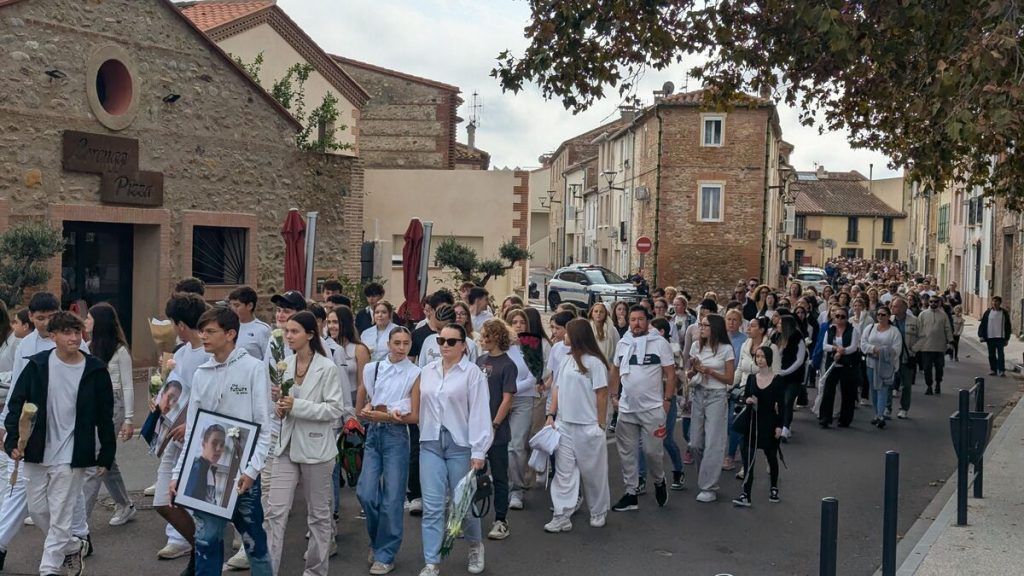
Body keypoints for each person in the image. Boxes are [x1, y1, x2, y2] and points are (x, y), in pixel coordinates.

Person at [5, 311, 115, 576]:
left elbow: (105, 415)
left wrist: (106, 454)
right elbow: (16, 404)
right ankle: (72, 546)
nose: (74, 338)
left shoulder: (95, 370)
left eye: (77, 332)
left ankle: (49, 569)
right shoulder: (38, 365)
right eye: (67, 333)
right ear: (52, 336)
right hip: (37, 448)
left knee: (62, 512)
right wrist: (11, 440)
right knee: (39, 509)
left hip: (73, 452)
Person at [170, 306, 273, 576]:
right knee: (206, 541)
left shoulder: (253, 368)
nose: (203, 336)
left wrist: (252, 470)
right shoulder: (201, 373)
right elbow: (193, 430)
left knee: (254, 543)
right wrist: (178, 473)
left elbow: (264, 425)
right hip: (208, 471)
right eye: (202, 330)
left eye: (210, 331)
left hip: (243, 473)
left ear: (230, 334)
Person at [265, 311, 345, 576]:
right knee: (274, 512)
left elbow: (334, 409)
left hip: (316, 448)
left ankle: (315, 571)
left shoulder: (327, 367)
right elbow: (284, 408)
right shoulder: (284, 364)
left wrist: (296, 405)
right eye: (287, 331)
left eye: (294, 331)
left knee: (319, 516)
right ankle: (268, 570)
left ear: (310, 334)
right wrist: (281, 407)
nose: (289, 336)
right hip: (286, 445)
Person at [416, 324, 492, 576]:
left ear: (464, 345)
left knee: (464, 504)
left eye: (450, 341)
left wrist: (479, 451)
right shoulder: (426, 371)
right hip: (431, 442)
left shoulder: (473, 374)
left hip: (461, 444)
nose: (444, 346)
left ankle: (474, 546)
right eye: (441, 340)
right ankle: (432, 562)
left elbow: (480, 412)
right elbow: (416, 403)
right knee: (433, 506)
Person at [356, 326, 421, 576]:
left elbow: (414, 415)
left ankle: (386, 553)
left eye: (406, 343)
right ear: (389, 343)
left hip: (396, 435)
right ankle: (377, 541)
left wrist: (387, 414)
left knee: (393, 498)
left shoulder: (415, 372)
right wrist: (363, 411)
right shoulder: (373, 368)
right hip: (374, 432)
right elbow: (363, 398)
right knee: (366, 492)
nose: (401, 348)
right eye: (397, 343)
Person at [153, 293, 211, 572]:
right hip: (173, 435)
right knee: (163, 501)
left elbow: (213, 398)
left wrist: (192, 424)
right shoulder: (181, 352)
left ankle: (201, 556)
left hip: (197, 438)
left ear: (179, 324)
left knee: (196, 502)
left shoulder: (208, 355)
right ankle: (200, 547)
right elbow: (175, 390)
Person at [543, 318, 611, 531]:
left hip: (588, 426)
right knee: (564, 473)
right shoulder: (566, 360)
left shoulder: (595, 363)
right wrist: (551, 414)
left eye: (568, 333)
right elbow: (557, 389)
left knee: (593, 473)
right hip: (565, 425)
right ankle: (562, 514)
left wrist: (600, 424)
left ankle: (598, 510)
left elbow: (601, 394)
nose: (564, 336)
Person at [609, 305, 676, 511]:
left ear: (648, 321)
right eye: (632, 320)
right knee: (627, 453)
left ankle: (659, 480)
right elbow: (615, 369)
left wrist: (667, 400)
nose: (636, 323)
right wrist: (614, 396)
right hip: (627, 408)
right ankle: (631, 493)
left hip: (653, 409)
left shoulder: (660, 344)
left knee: (651, 452)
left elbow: (670, 374)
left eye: (640, 319)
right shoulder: (623, 343)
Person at [80, 303, 136, 526]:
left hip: (114, 406)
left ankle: (81, 520)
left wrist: (129, 419)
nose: (86, 322)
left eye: (90, 318)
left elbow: (128, 386)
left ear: (100, 322)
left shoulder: (120, 351)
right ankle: (125, 504)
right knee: (107, 458)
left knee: (97, 458)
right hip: (92, 405)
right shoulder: (86, 346)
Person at [686, 314, 736, 503]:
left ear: (714, 328)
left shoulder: (726, 349)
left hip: (717, 395)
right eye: (700, 324)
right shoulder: (695, 346)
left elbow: (730, 379)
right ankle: (705, 476)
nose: (701, 328)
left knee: (714, 443)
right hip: (699, 393)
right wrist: (692, 370)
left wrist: (710, 372)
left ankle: (709, 486)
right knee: (695, 443)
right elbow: (690, 372)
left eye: (705, 325)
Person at [475, 319, 516, 540]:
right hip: (477, 430)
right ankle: (473, 518)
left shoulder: (508, 365)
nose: (481, 339)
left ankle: (501, 519)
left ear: (496, 337)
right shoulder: (480, 360)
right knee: (475, 476)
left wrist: (494, 425)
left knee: (499, 476)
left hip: (496, 432)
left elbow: (507, 399)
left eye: (485, 336)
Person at [731, 346, 783, 507]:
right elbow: (746, 395)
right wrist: (748, 400)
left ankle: (774, 487)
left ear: (769, 359)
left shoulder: (777, 380)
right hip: (752, 422)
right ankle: (746, 493)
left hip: (769, 423)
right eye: (757, 356)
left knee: (771, 457)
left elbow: (782, 405)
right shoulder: (752, 378)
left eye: (763, 356)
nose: (759, 359)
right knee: (748, 460)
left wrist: (780, 426)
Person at [503, 309, 541, 511]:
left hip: (523, 400)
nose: (518, 325)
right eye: (514, 322)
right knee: (501, 446)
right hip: (501, 401)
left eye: (521, 322)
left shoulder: (532, 344)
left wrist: (513, 388)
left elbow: (534, 375)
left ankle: (516, 488)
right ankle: (503, 485)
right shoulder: (500, 345)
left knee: (516, 445)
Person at [860, 306, 902, 429]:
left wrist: (883, 353)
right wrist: (873, 349)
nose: (880, 317)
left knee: (882, 389)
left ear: (889, 316)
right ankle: (876, 413)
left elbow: (896, 348)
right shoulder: (870, 328)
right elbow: (863, 343)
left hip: (886, 365)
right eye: (878, 314)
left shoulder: (894, 331)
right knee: (873, 389)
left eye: (883, 315)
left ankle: (881, 415)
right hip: (871, 363)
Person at [819, 307, 860, 428]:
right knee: (828, 391)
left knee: (847, 392)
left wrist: (842, 351)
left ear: (847, 318)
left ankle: (845, 419)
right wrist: (835, 349)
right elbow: (825, 346)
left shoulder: (853, 331)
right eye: (837, 316)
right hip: (832, 364)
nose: (839, 319)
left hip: (847, 364)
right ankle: (825, 418)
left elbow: (853, 347)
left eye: (843, 316)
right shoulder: (830, 330)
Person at [774, 315, 807, 440]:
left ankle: (786, 428)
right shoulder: (777, 337)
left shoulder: (798, 338)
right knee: (780, 401)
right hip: (779, 375)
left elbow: (799, 360)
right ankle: (782, 424)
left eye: (780, 324)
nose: (777, 325)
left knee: (788, 401)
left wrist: (786, 371)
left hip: (793, 376)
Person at [890, 297, 920, 419]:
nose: (893, 308)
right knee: (889, 383)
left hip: (907, 357)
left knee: (906, 385)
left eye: (896, 306)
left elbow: (922, 337)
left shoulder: (914, 321)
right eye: (892, 306)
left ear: (904, 308)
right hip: (892, 357)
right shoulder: (889, 320)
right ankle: (887, 407)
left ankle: (904, 408)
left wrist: (914, 349)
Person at [918, 295, 953, 393]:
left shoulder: (943, 315)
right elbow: (918, 329)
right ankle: (929, 386)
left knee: (939, 368)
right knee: (927, 368)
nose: (933, 303)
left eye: (935, 301)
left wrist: (950, 341)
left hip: (939, 346)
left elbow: (948, 329)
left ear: (939, 303)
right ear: (928, 302)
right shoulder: (923, 314)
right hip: (926, 347)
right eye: (931, 301)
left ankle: (938, 383)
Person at [183, 425, 226, 504]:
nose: (218, 449)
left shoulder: (210, 470)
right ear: (203, 444)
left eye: (222, 445)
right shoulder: (195, 469)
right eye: (214, 443)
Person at [228, 286, 271, 361]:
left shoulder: (263, 329)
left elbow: (269, 359)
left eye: (236, 305)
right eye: (231, 305)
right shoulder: (226, 326)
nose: (232, 308)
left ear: (250, 306)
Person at [979, 296, 1012, 377]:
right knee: (991, 354)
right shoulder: (988, 312)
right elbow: (983, 324)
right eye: (993, 301)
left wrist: (1007, 338)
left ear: (1000, 303)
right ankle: (993, 369)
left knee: (1001, 354)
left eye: (996, 301)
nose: (994, 303)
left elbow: (1008, 326)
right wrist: (981, 335)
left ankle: (1001, 370)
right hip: (990, 336)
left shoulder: (1004, 313)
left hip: (1000, 337)